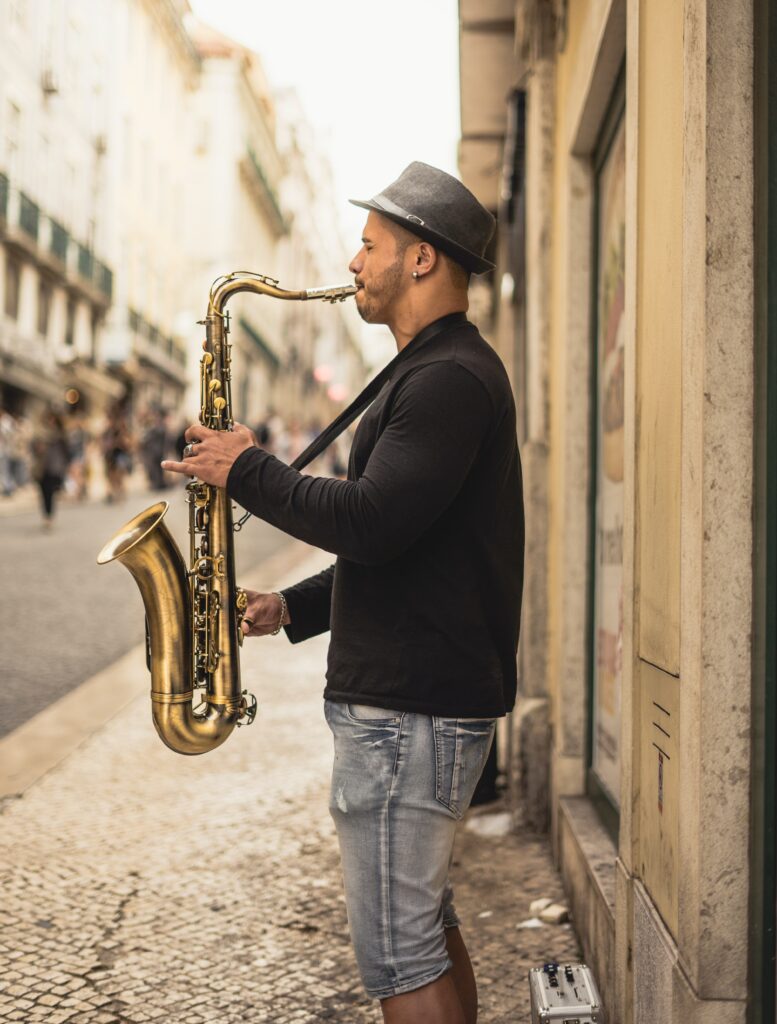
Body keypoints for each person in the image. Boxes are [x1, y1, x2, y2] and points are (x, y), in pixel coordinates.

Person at [162, 162, 525, 1024]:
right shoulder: (431, 372)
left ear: (422, 260)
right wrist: (293, 607)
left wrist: (243, 467)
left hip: (409, 714)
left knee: (400, 953)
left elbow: (370, 522)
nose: (352, 262)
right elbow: (405, 549)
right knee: (423, 928)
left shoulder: (445, 380)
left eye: (370, 246)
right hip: (416, 704)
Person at [31, 408, 71, 528]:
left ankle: (49, 516)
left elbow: (67, 451)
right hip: (42, 467)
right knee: (43, 492)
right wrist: (38, 448)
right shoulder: (40, 433)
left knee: (50, 492)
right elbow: (32, 448)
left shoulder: (61, 434)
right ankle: (46, 515)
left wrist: (66, 465)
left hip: (55, 467)